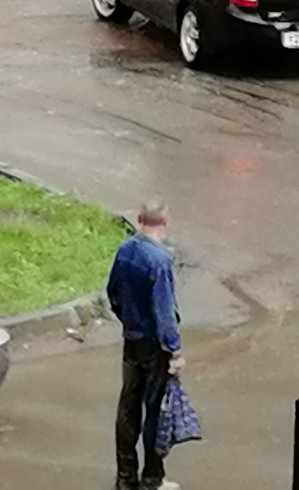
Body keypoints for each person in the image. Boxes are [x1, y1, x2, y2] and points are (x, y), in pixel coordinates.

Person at [107, 201, 183, 490]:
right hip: (155, 346)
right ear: (165, 222)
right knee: (155, 411)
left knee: (128, 407)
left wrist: (126, 319)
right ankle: (152, 478)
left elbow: (112, 291)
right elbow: (164, 312)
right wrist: (174, 350)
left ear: (140, 220)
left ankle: (125, 478)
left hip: (132, 339)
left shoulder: (125, 251)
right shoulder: (159, 261)